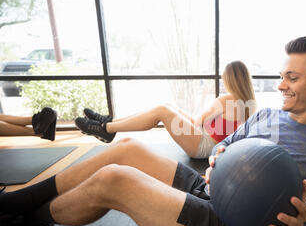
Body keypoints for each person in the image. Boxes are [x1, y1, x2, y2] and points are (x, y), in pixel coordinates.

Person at [0, 36, 306, 226]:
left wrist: (305, 224)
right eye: (282, 76)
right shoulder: (265, 114)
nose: (280, 84)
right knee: (126, 149)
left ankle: (29, 220)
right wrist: (218, 157)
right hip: (209, 189)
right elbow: (223, 146)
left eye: (292, 78)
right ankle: (16, 205)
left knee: (115, 180)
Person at [74, 61, 257, 159]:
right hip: (210, 142)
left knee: (163, 110)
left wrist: (185, 117)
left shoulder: (225, 100)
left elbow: (198, 122)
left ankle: (106, 129)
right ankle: (108, 122)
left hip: (204, 146)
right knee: (169, 107)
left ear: (229, 79)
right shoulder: (250, 103)